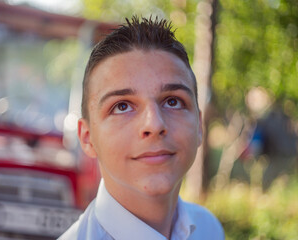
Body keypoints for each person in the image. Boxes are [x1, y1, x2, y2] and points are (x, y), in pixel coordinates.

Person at [59, 16, 224, 240]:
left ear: (199, 126)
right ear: (87, 138)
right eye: (122, 106)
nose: (154, 124)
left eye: (173, 101)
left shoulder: (208, 229)